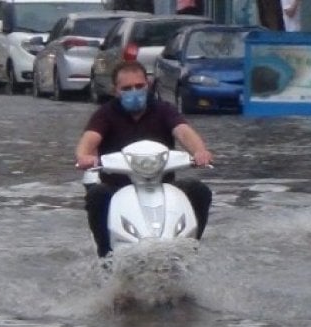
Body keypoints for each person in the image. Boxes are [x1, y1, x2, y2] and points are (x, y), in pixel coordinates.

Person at [73, 61, 215, 259]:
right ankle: (105, 257)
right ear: (116, 91)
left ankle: (189, 248)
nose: (134, 92)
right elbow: (89, 139)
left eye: (139, 86)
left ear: (147, 85)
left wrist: (200, 151)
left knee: (199, 191)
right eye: (127, 88)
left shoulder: (164, 110)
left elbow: (183, 131)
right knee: (97, 195)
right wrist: (85, 156)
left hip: (162, 185)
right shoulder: (105, 114)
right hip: (117, 188)